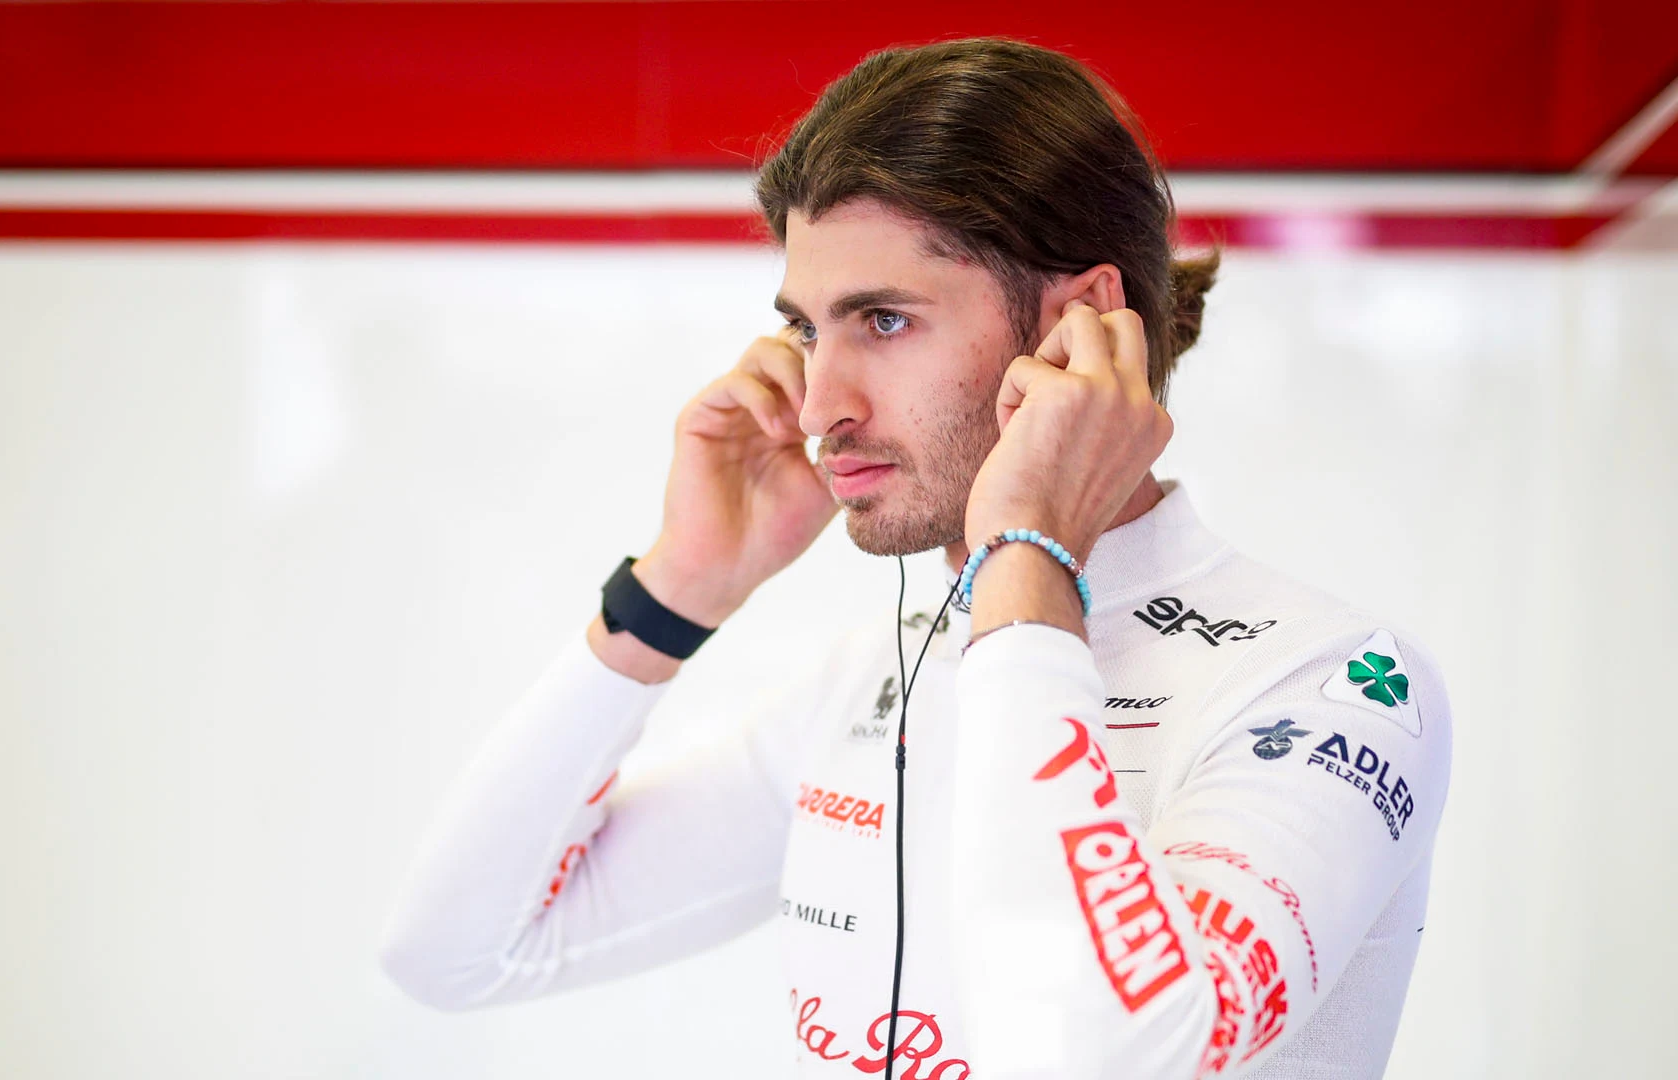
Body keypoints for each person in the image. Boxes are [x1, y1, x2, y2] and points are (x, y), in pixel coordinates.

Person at [380, 37, 1450, 1080]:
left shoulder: (1331, 683)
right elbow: (452, 952)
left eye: (883, 321)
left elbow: (1090, 1059)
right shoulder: (869, 680)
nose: (814, 406)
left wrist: (1025, 553)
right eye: (807, 330)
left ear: (1076, 327)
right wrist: (675, 592)